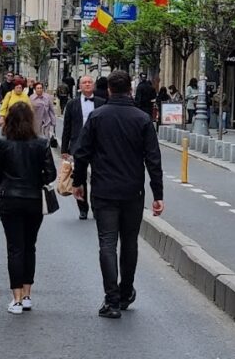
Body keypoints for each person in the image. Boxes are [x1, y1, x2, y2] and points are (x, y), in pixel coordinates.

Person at [73, 70, 164, 319]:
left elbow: (81, 153)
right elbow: (153, 159)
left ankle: (111, 300)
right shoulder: (142, 119)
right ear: (130, 90)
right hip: (133, 191)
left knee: (107, 243)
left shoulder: (97, 117)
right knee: (130, 241)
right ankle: (125, 292)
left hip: (103, 190)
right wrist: (158, 194)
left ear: (109, 90)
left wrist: (78, 182)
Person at [0, 101, 56, 315]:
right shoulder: (41, 143)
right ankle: (27, 295)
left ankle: (16, 299)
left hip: (9, 199)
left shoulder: (2, 143)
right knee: (30, 246)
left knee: (15, 248)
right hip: (34, 200)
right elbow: (51, 175)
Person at [60, 75, 105, 219]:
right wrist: (64, 149)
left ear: (94, 85)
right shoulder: (72, 104)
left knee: (97, 176)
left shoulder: (102, 103)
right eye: (84, 82)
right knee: (79, 176)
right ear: (79, 86)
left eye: (90, 82)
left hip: (97, 145)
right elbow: (67, 127)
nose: (87, 84)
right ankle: (83, 208)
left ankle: (96, 207)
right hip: (77, 145)